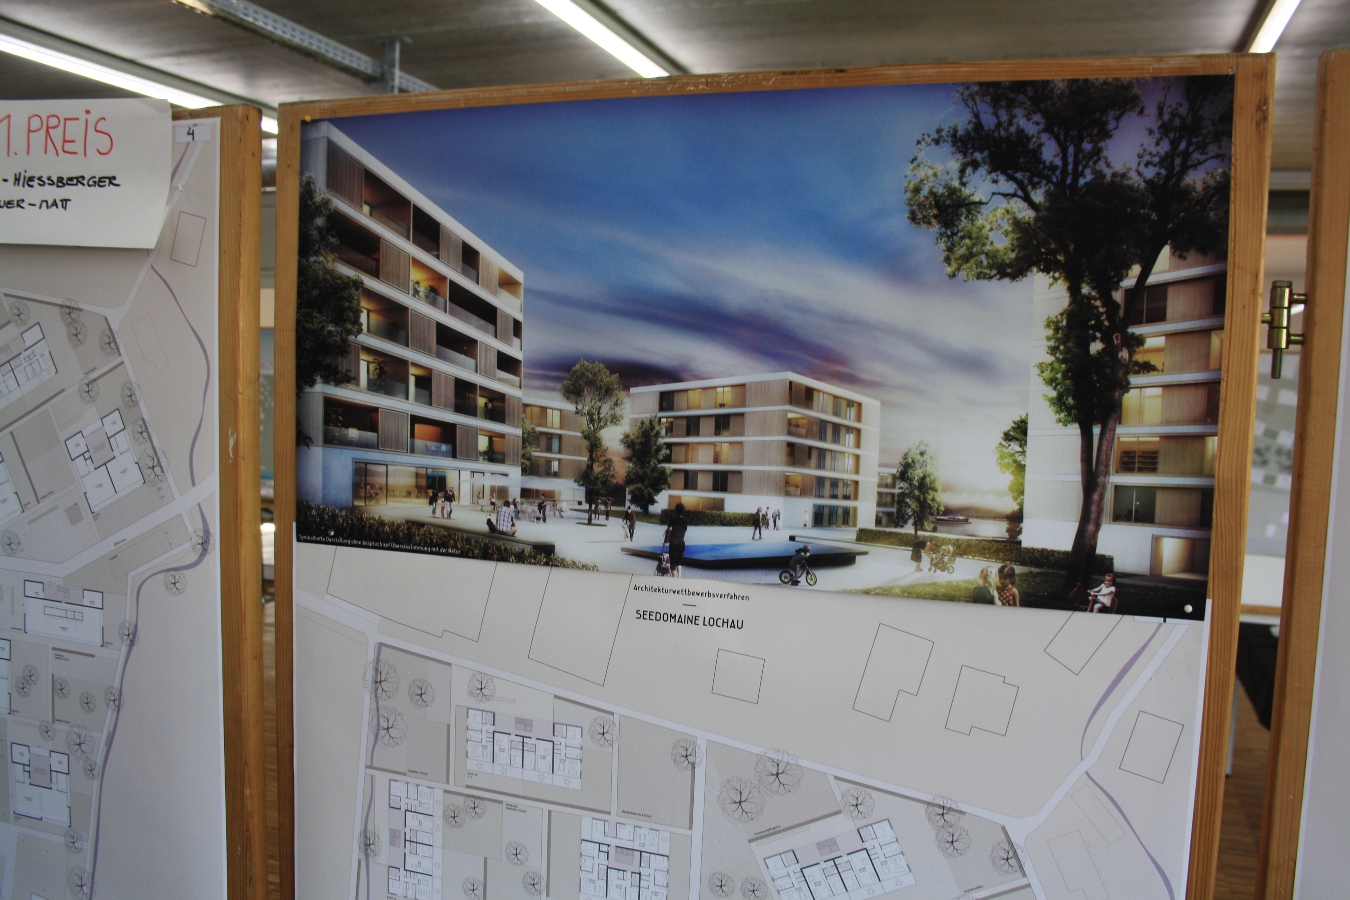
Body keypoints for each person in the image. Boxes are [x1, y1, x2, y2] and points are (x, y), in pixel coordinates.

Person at [665, 503, 689, 578]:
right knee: (679, 561)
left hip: (673, 542)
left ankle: (674, 579)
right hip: (682, 542)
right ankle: (679, 577)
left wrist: (665, 540)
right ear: (683, 511)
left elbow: (668, 530)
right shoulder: (685, 521)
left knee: (673, 561)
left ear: (675, 510)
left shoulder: (673, 519)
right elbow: (685, 530)